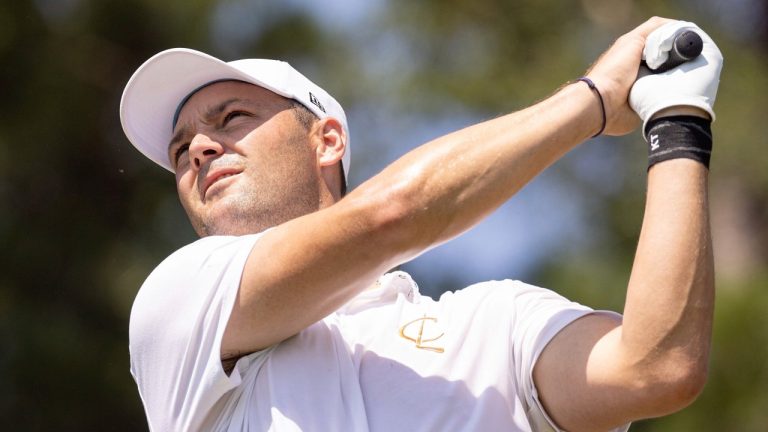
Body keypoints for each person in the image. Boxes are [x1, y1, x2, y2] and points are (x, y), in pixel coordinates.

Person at [119, 17, 721, 432]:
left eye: (231, 117)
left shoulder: (494, 322)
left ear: (326, 140)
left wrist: (678, 124)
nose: (199, 147)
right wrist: (594, 98)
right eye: (180, 150)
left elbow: (654, 367)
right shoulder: (180, 301)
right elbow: (392, 217)